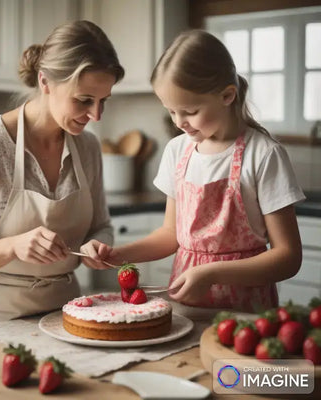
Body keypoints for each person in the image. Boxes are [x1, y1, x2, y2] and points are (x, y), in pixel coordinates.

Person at [82, 29, 305, 313]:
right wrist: (117, 255)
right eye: (171, 112)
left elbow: (288, 257)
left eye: (189, 111)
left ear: (227, 95)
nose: (179, 123)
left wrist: (212, 273)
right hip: (186, 307)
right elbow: (170, 234)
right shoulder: (177, 151)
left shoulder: (263, 155)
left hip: (245, 314)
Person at [0, 20, 124, 334]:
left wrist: (96, 246)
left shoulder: (87, 146)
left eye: (103, 102)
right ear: (45, 82)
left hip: (64, 319)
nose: (96, 115)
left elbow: (101, 226)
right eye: (84, 100)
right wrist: (11, 247)